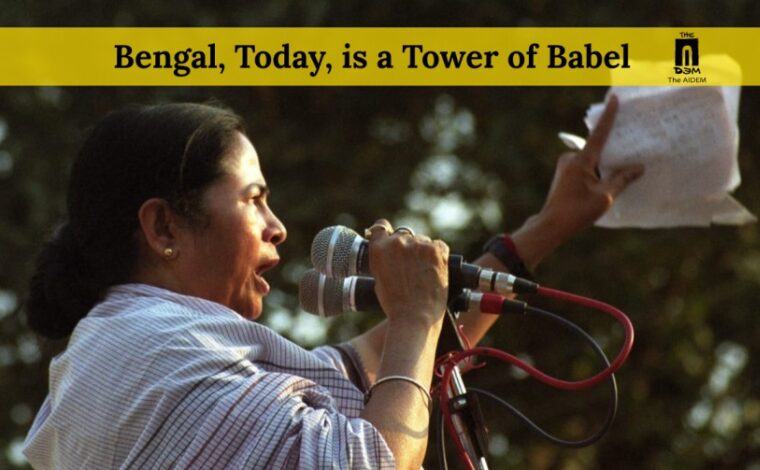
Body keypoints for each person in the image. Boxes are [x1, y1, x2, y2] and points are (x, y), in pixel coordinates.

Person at [22, 97, 642, 469]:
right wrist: (415, 318)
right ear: (164, 227)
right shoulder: (155, 350)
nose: (278, 227)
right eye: (254, 199)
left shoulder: (139, 349)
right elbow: (373, 460)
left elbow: (376, 374)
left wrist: (541, 232)